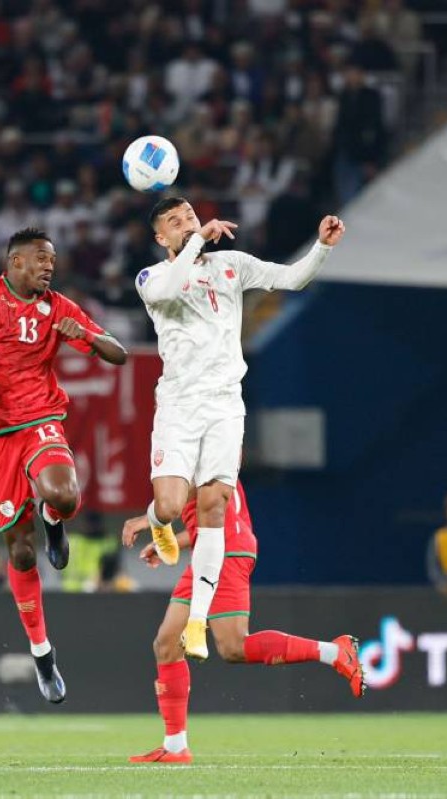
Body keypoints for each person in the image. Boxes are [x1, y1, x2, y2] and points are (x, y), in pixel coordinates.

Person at [136, 197, 344, 661]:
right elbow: (170, 290)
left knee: (213, 506)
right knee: (170, 506)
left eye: (190, 216)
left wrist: (322, 248)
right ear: (161, 238)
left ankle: (196, 623)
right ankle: (157, 522)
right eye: (175, 222)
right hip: (179, 406)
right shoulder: (151, 277)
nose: (187, 224)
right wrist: (195, 243)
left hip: (226, 405)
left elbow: (291, 278)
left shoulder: (230, 264)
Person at [0, 227, 127, 703]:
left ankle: (54, 518)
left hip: (41, 419)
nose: (49, 267)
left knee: (63, 495)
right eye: (41, 259)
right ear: (15, 263)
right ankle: (43, 653)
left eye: (52, 260)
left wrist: (86, 334)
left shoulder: (59, 307)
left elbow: (119, 355)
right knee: (21, 553)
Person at [121, 481, 364, 764]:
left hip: (225, 550)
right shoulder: (210, 457)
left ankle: (335, 652)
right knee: (167, 644)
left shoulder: (198, 455)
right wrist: (169, 541)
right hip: (211, 548)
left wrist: (149, 520)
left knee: (234, 646)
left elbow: (179, 497)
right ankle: (175, 746)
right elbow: (206, 517)